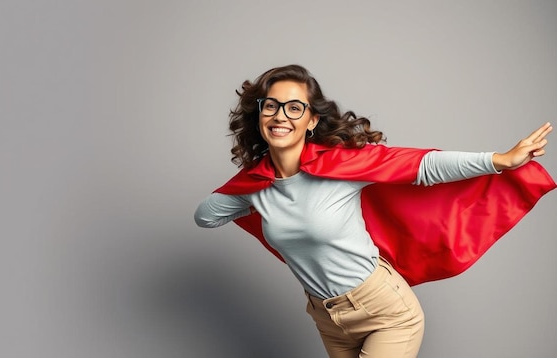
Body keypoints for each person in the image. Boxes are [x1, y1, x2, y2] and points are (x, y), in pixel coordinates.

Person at [193, 64, 555, 358]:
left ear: (311, 120)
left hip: (384, 310)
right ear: (260, 114)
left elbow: (423, 167)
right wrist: (253, 185)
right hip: (327, 319)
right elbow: (206, 215)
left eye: (294, 107)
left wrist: (500, 160)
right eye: (270, 106)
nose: (281, 115)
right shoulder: (257, 187)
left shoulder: (339, 167)